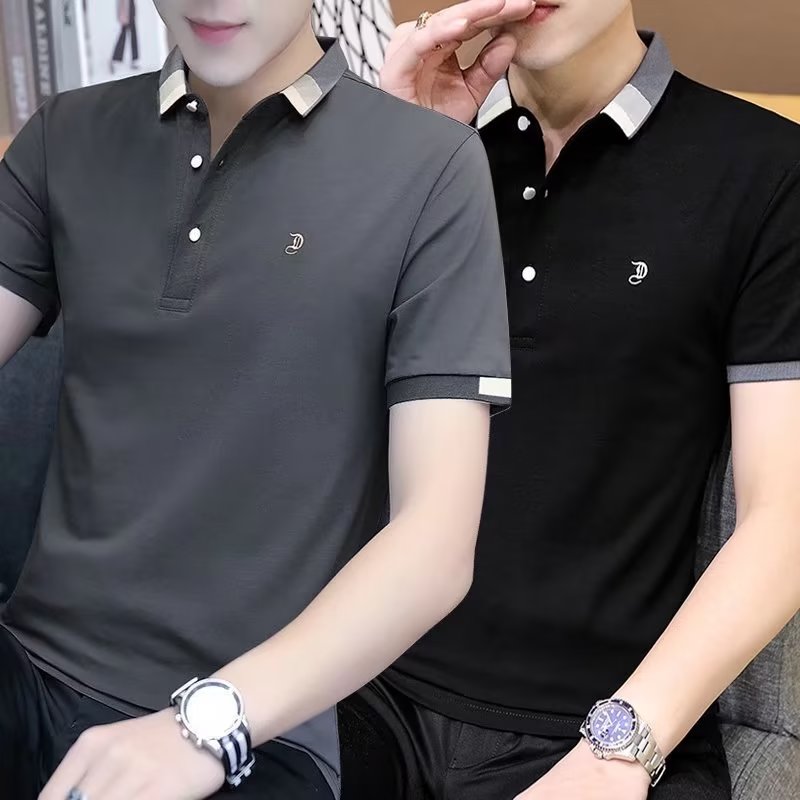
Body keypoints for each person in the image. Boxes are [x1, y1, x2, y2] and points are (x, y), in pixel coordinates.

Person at [0, 1, 513, 798]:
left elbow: (435, 546)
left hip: (256, 731)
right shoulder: (64, 135)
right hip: (28, 675)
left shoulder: (432, 167)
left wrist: (206, 725)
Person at [338, 0, 800, 798]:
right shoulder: (428, 153)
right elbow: (285, 421)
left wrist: (619, 750)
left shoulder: (765, 170)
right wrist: (390, 160)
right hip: (367, 690)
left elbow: (783, 514)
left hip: (598, 725)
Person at [111, 0, 140, 73]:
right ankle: (116, 59)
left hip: (130, 12)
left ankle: (134, 59)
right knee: (123, 35)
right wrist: (122, 17)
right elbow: (121, 4)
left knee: (133, 36)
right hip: (125, 13)